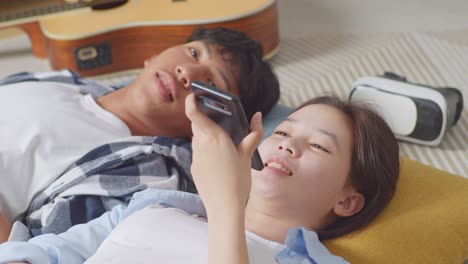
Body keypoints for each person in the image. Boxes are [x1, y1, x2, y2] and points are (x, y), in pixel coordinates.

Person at [0, 95, 400, 263]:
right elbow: (50, 252)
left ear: (347, 200)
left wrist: (227, 203)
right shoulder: (154, 204)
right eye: (281, 132)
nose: (287, 145)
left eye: (318, 147)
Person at [0, 27, 280, 243]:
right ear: (154, 56)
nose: (187, 72)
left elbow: (31, 252)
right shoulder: (64, 81)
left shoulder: (148, 177)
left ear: (216, 125)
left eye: (210, 84)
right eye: (194, 53)